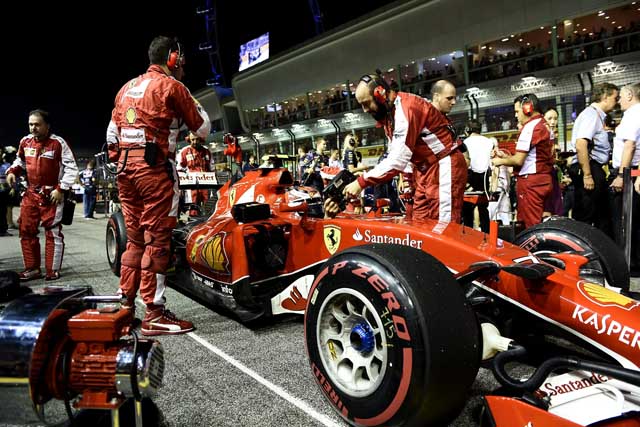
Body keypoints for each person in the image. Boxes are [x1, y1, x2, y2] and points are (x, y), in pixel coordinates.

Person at [106, 36, 211, 336]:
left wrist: (127, 160)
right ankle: (153, 312)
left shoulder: (125, 88)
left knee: (135, 240)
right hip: (155, 172)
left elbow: (112, 136)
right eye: (183, 64)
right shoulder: (173, 87)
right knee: (157, 241)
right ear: (173, 59)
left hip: (126, 171)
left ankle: (125, 304)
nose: (184, 70)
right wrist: (192, 102)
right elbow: (203, 129)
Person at [343, 77, 467, 224]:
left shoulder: (406, 109)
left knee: (442, 229)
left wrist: (361, 182)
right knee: (419, 225)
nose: (365, 109)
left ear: (379, 94)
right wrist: (409, 183)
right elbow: (402, 154)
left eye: (366, 103)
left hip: (444, 165)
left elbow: (397, 160)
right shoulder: (390, 116)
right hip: (425, 170)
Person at [6, 109, 79, 281]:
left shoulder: (58, 143)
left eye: (37, 124)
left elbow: (71, 167)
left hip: (52, 195)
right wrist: (12, 171)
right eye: (31, 124)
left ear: (47, 126)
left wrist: (61, 189)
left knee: (52, 232)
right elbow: (20, 161)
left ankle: (52, 270)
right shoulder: (25, 142)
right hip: (30, 194)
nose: (33, 128)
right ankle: (32, 269)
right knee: (26, 231)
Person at [491, 94, 554, 228]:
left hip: (531, 181)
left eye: (517, 111)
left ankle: (532, 249)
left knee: (530, 225)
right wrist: (506, 157)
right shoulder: (544, 124)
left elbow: (519, 160)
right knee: (536, 220)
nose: (516, 116)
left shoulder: (530, 127)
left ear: (527, 108)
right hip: (543, 178)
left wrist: (499, 161)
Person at [567, 82, 619, 236]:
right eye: (614, 98)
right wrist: (588, 175)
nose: (616, 102)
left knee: (600, 215)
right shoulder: (591, 115)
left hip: (592, 168)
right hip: (590, 168)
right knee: (586, 214)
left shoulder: (596, 116)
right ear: (604, 96)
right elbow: (581, 144)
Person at [610, 83, 640, 269]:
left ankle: (630, 265)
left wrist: (621, 174)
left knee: (627, 222)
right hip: (632, 171)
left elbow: (630, 146)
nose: (618, 100)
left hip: (629, 173)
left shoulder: (633, 115)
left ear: (629, 95)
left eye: (620, 96)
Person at [461, 119, 494, 232]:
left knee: (467, 209)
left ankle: (468, 235)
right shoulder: (489, 142)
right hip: (484, 177)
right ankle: (487, 234)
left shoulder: (466, 142)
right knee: (483, 208)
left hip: (469, 176)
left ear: (468, 130)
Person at [179, 131, 212, 206]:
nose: (195, 141)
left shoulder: (207, 151)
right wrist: (181, 187)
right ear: (189, 140)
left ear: (200, 139)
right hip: (191, 184)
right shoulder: (184, 152)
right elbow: (179, 169)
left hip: (206, 182)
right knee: (193, 206)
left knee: (208, 205)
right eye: (192, 140)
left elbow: (212, 168)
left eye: (197, 139)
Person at [542, 107, 564, 217]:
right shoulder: (541, 135)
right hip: (544, 176)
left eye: (555, 118)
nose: (553, 121)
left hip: (553, 175)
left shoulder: (553, 135)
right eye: (550, 118)